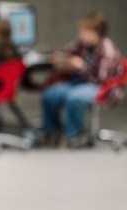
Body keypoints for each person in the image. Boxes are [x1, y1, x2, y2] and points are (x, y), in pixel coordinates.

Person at [42, 11, 123, 148]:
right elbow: (69, 51)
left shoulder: (107, 50)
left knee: (74, 97)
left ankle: (72, 136)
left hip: (100, 87)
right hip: (79, 82)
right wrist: (63, 58)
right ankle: (51, 133)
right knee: (50, 94)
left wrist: (81, 67)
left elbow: (101, 80)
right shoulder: (83, 43)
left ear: (97, 32)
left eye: (86, 32)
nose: (82, 35)